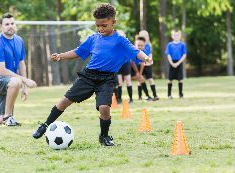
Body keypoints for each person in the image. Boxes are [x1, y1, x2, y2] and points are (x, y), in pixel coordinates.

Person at [32, 3, 151, 146]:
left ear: (113, 22)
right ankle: (45, 125)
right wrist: (61, 56)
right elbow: (77, 51)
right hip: (88, 76)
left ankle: (104, 136)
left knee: (104, 108)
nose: (100, 29)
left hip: (107, 79)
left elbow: (136, 52)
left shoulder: (120, 40)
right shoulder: (93, 39)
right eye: (98, 25)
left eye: (104, 25)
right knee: (64, 101)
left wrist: (146, 58)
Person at [165, 30, 187, 99]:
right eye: (174, 35)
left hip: (179, 63)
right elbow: (168, 54)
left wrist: (178, 63)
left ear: (180, 36)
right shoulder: (169, 45)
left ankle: (180, 94)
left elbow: (184, 54)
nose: (176, 36)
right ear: (172, 36)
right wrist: (172, 63)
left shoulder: (183, 44)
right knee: (170, 79)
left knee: (180, 79)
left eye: (177, 35)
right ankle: (169, 95)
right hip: (172, 63)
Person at [138, 30, 159, 101]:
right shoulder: (138, 45)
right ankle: (141, 96)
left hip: (147, 65)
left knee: (150, 79)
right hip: (140, 64)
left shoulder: (148, 45)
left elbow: (150, 54)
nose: (145, 37)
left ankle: (155, 95)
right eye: (143, 36)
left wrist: (150, 60)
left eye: (146, 36)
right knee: (140, 79)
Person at [131, 36, 153, 101]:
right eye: (138, 45)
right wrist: (137, 72)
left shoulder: (144, 52)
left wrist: (140, 74)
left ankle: (146, 96)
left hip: (138, 67)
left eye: (142, 45)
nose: (140, 47)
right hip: (131, 67)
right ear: (135, 45)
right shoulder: (133, 51)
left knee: (141, 79)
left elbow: (143, 64)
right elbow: (132, 63)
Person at [115, 30, 134, 104]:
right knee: (119, 83)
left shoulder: (127, 44)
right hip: (118, 65)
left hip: (126, 64)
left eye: (122, 35)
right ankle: (119, 99)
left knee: (128, 82)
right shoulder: (115, 44)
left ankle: (131, 99)